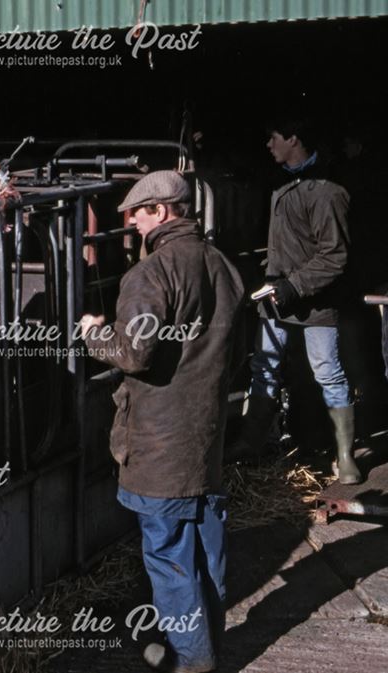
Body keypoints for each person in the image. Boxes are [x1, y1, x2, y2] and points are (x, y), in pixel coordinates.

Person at [80, 170, 244, 673]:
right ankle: (208, 641)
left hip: (159, 442)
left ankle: (190, 659)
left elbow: (133, 353)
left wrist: (94, 333)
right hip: (206, 435)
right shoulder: (223, 267)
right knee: (205, 550)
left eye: (137, 212)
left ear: (162, 211)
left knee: (169, 557)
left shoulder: (149, 275)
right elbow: (238, 351)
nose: (130, 222)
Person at [233, 118, 361, 484]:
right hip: (276, 294)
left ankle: (345, 455)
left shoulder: (327, 190)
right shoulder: (279, 181)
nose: (269, 145)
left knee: (327, 372)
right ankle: (251, 441)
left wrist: (293, 285)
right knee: (264, 366)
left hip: (315, 301)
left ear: (293, 138)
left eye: (273, 138)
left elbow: (334, 256)